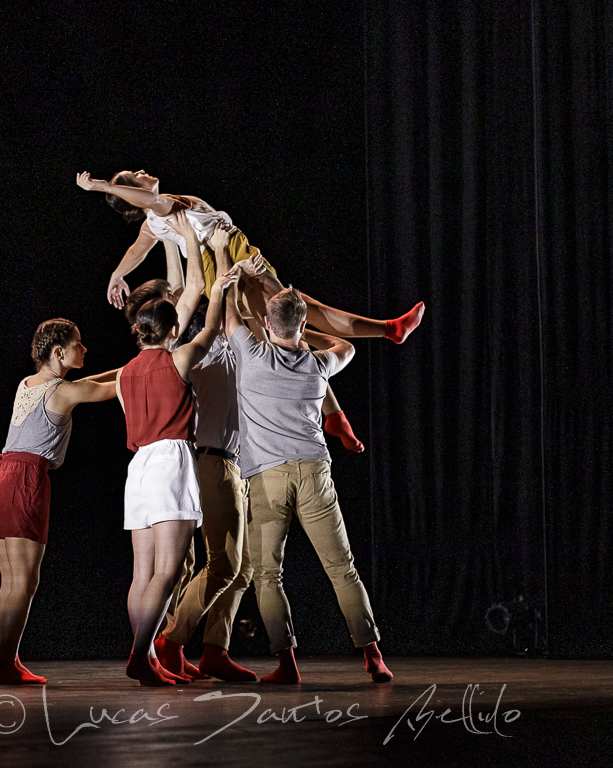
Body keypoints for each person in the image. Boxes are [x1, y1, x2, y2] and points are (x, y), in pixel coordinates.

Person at [221, 273, 395, 684]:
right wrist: (305, 333)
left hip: (267, 477)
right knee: (342, 568)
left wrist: (230, 282)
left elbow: (229, 318)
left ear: (266, 323)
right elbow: (346, 345)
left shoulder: (252, 355)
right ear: (302, 325)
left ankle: (287, 665)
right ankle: (373, 657)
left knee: (268, 575)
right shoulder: (318, 366)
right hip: (314, 471)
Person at [74, 169, 425, 349]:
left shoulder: (155, 219)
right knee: (287, 314)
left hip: (225, 254)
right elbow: (143, 224)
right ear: (134, 194)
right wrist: (105, 187)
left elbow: (137, 250)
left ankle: (385, 333)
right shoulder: (160, 209)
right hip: (223, 256)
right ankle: (382, 335)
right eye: (135, 177)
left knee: (292, 312)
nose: (142, 172)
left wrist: (116, 275)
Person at [117, 254, 238, 686]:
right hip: (170, 460)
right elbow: (210, 329)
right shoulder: (179, 358)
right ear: (172, 330)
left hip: (138, 466)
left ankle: (146, 655)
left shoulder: (124, 374)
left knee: (142, 573)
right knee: (168, 571)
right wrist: (219, 290)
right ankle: (140, 655)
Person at [0, 319, 119, 685]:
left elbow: (89, 382)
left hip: (0, 475)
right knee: (24, 582)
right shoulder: (64, 392)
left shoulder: (28, 383)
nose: (84, 349)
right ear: (58, 352)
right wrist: (154, 363)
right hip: (25, 478)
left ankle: (7, 660)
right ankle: (6, 664)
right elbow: (112, 388)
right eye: (78, 344)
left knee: (11, 580)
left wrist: (133, 364)